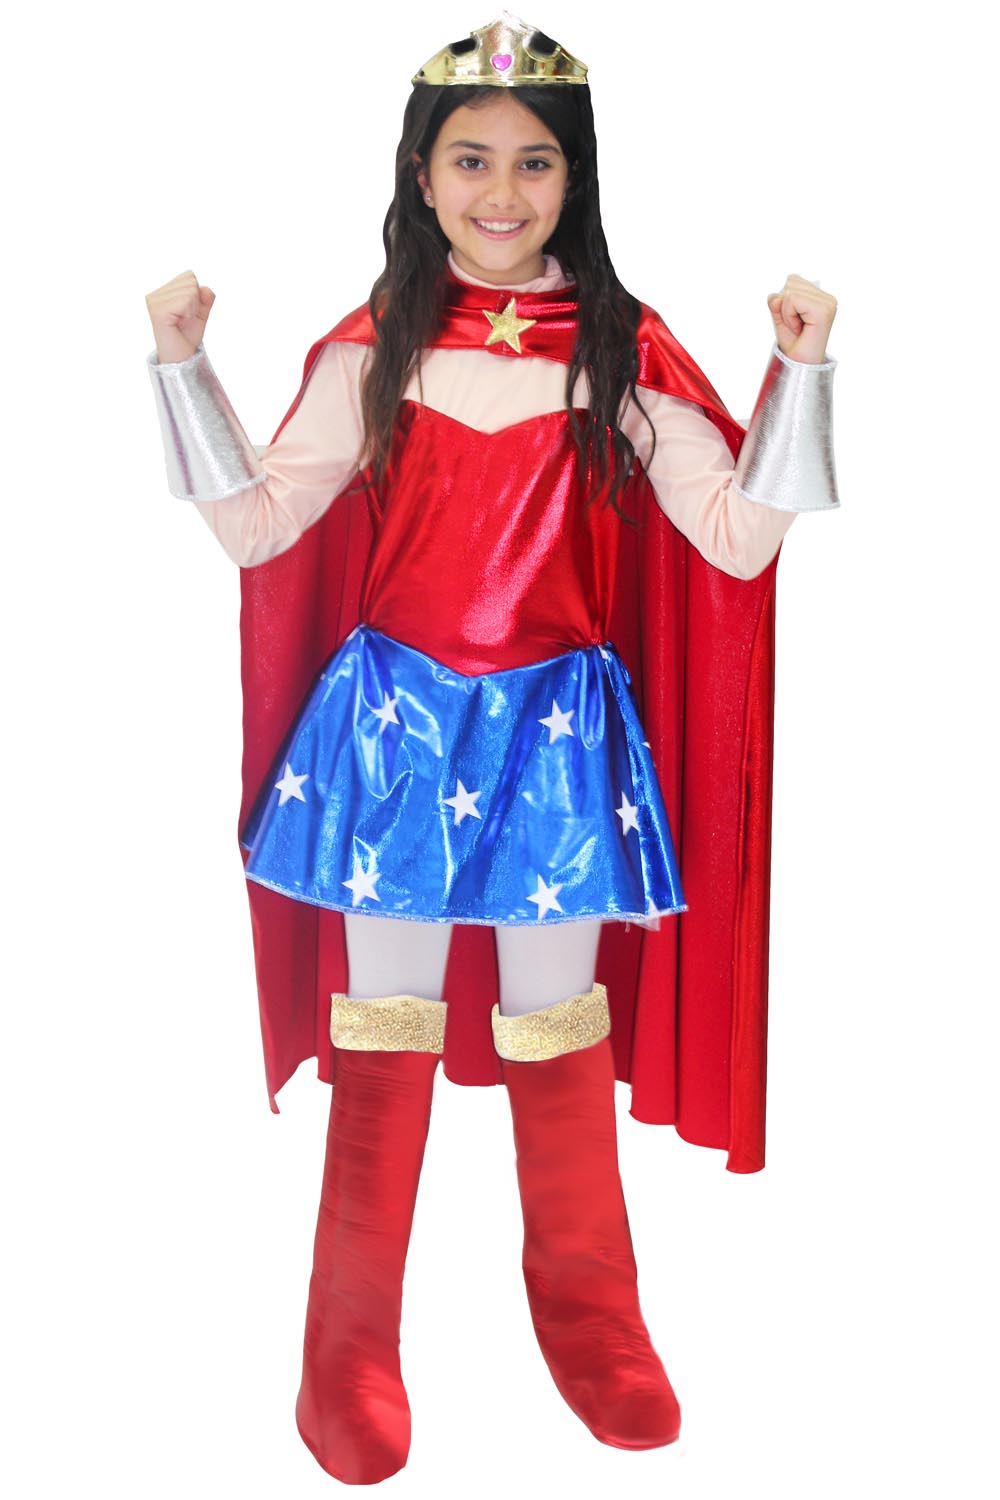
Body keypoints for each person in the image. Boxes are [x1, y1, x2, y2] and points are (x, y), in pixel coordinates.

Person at [145, 14, 839, 1485]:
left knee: (554, 1020)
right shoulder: (374, 348)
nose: (503, 192)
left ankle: (592, 1319)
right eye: (472, 160)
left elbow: (736, 540)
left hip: (554, 739)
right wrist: (182, 368)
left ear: (575, 179)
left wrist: (801, 376)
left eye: (535, 162)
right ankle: (345, 1348)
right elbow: (261, 528)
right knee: (385, 1023)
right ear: (422, 173)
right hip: (397, 736)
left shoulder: (622, 350)